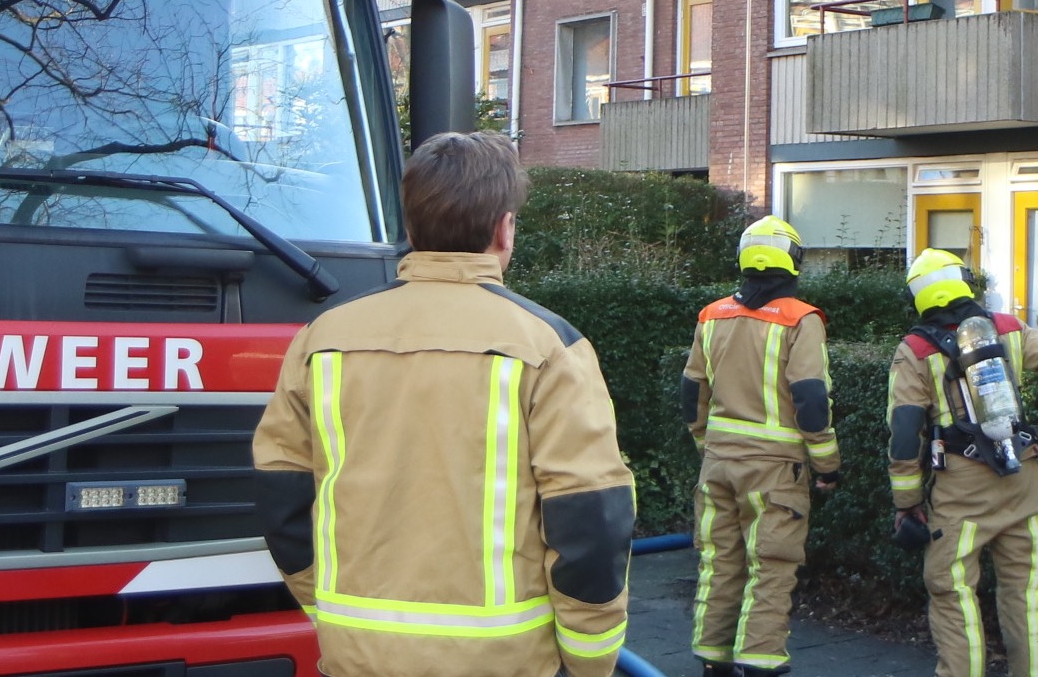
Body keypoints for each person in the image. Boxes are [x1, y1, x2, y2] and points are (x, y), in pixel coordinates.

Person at [250, 132, 634, 677]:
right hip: (505, 660)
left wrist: (331, 612)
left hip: (357, 655)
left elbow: (280, 496)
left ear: (411, 230)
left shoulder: (321, 339)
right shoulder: (550, 346)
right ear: (505, 229)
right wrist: (589, 660)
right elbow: (590, 520)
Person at [887, 248, 1038, 677]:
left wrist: (906, 500)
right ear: (963, 282)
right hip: (1023, 478)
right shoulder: (1008, 329)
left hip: (961, 490)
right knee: (1027, 598)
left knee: (953, 595)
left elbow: (906, 430)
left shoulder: (916, 349)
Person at [680, 216, 841, 677]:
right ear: (793, 261)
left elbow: (692, 395)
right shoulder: (800, 319)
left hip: (718, 464)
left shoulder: (712, 316)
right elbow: (810, 398)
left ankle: (713, 656)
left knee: (720, 561)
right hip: (775, 472)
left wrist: (707, 445)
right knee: (771, 565)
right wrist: (827, 463)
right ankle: (760, 661)